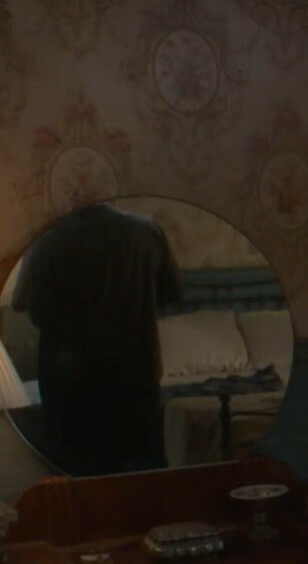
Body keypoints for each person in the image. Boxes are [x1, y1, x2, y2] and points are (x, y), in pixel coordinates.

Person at [13, 202, 182, 476]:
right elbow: (173, 293)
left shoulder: (47, 239)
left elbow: (19, 301)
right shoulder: (147, 231)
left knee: (76, 475)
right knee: (140, 474)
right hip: (134, 377)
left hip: (69, 382)